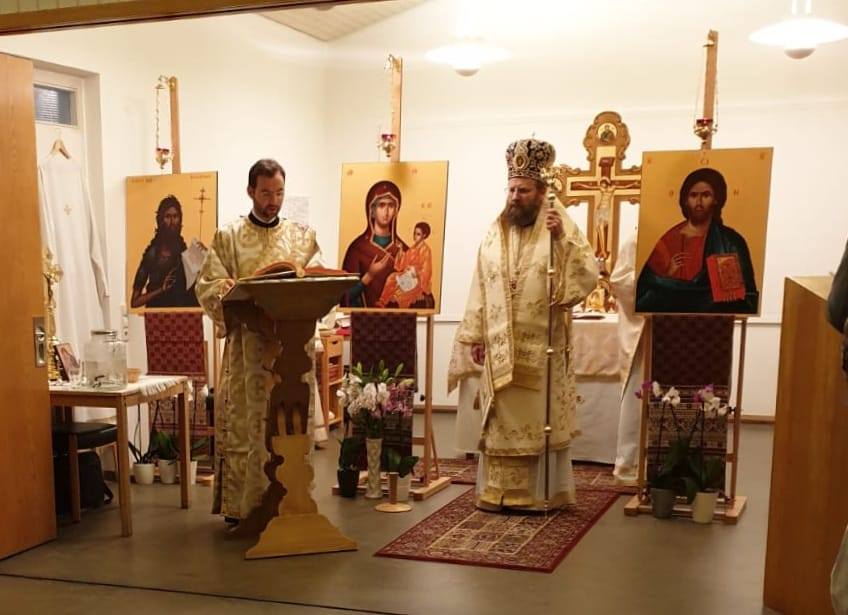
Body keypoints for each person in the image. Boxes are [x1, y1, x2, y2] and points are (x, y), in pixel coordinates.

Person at [447, 138, 598, 512]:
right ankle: (496, 492)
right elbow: (480, 283)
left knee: (535, 419)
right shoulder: (494, 232)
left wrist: (561, 238)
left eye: (524, 190)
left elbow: (586, 275)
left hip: (542, 349)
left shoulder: (560, 227)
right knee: (500, 421)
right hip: (500, 347)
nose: (515, 197)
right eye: (511, 189)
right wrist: (477, 334)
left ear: (541, 192)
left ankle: (537, 494)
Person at [195, 158, 326, 524]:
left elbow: (320, 280)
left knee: (288, 424)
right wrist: (236, 291)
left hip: (291, 351)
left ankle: (292, 501)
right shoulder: (228, 237)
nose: (273, 201)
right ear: (250, 191)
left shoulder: (302, 237)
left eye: (279, 192)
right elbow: (208, 285)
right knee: (248, 428)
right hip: (248, 352)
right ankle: (245, 507)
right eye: (266, 193)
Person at [635, 167, 758, 314]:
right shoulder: (668, 239)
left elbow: (745, 298)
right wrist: (668, 274)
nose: (699, 202)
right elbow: (645, 292)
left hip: (716, 323)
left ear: (716, 199)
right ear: (686, 200)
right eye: (693, 195)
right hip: (668, 323)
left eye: (706, 195)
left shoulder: (730, 242)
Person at [340, 180, 435, 309]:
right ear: (372, 210)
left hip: (399, 319)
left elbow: (424, 295)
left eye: (391, 206)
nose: (386, 211)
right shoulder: (357, 249)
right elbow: (345, 297)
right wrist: (369, 275)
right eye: (381, 205)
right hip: (364, 319)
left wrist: (412, 282)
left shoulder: (405, 250)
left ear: (396, 210)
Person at [131, 195, 200, 308]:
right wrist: (161, 290)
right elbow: (135, 302)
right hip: (157, 314)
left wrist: (203, 262)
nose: (172, 222)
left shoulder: (185, 251)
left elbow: (197, 290)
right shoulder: (152, 254)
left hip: (181, 315)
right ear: (160, 220)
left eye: (175, 216)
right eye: (167, 216)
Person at [376, 221, 434, 308]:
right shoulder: (412, 249)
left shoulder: (426, 250)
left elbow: (426, 271)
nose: (415, 236)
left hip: (417, 279)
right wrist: (400, 249)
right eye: (414, 233)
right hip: (407, 274)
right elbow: (401, 265)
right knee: (392, 277)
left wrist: (414, 270)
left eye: (418, 234)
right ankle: (382, 301)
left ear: (424, 236)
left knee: (400, 292)